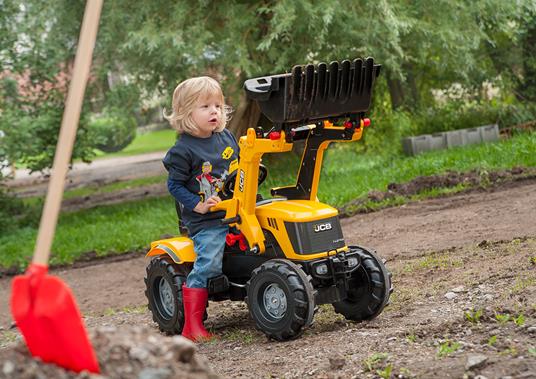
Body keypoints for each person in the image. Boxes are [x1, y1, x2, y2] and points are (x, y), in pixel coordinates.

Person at [162, 76, 239, 341]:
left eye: (217, 105)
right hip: (207, 221)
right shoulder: (182, 150)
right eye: (205, 106)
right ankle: (191, 326)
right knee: (208, 262)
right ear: (186, 114)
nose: (214, 111)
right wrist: (199, 205)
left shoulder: (225, 137)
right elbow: (174, 186)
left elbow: (239, 168)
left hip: (236, 208)